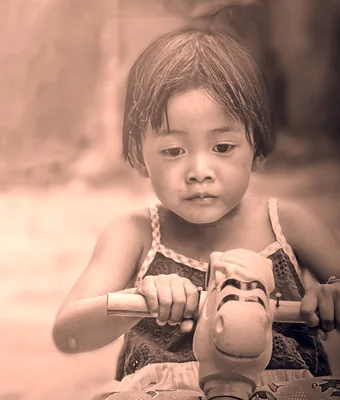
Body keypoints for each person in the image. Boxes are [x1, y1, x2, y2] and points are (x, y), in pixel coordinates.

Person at [51, 28, 340, 399]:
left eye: (222, 146)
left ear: (258, 150)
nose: (199, 170)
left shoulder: (286, 223)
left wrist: (332, 295)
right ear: (140, 158)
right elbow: (68, 332)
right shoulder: (135, 233)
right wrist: (140, 301)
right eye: (173, 151)